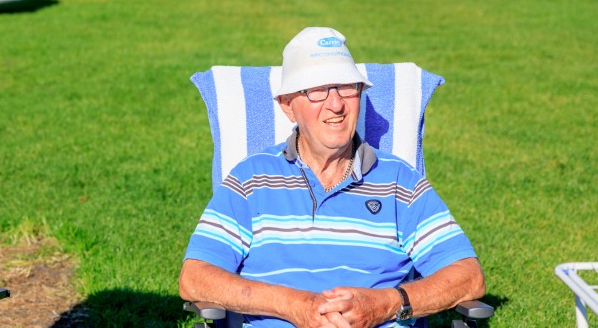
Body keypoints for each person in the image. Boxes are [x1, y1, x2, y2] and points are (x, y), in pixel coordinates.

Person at [178, 27, 485, 328]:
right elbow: (195, 278)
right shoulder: (251, 180)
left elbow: (467, 275)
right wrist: (295, 306)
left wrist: (384, 305)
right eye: (316, 90)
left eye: (347, 87)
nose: (336, 104)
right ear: (287, 105)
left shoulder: (399, 183)